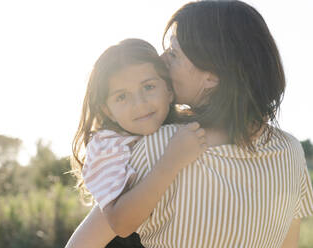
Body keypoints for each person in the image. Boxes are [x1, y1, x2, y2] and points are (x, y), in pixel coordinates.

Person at [69, 1, 313, 247]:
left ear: (211, 77)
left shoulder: (160, 147)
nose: (161, 57)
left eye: (174, 53)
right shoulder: (291, 152)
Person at [65, 39, 207, 248]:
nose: (139, 104)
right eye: (122, 97)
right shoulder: (108, 147)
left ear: (169, 90)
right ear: (107, 110)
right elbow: (117, 225)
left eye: (148, 87)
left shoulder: (179, 128)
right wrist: (172, 159)